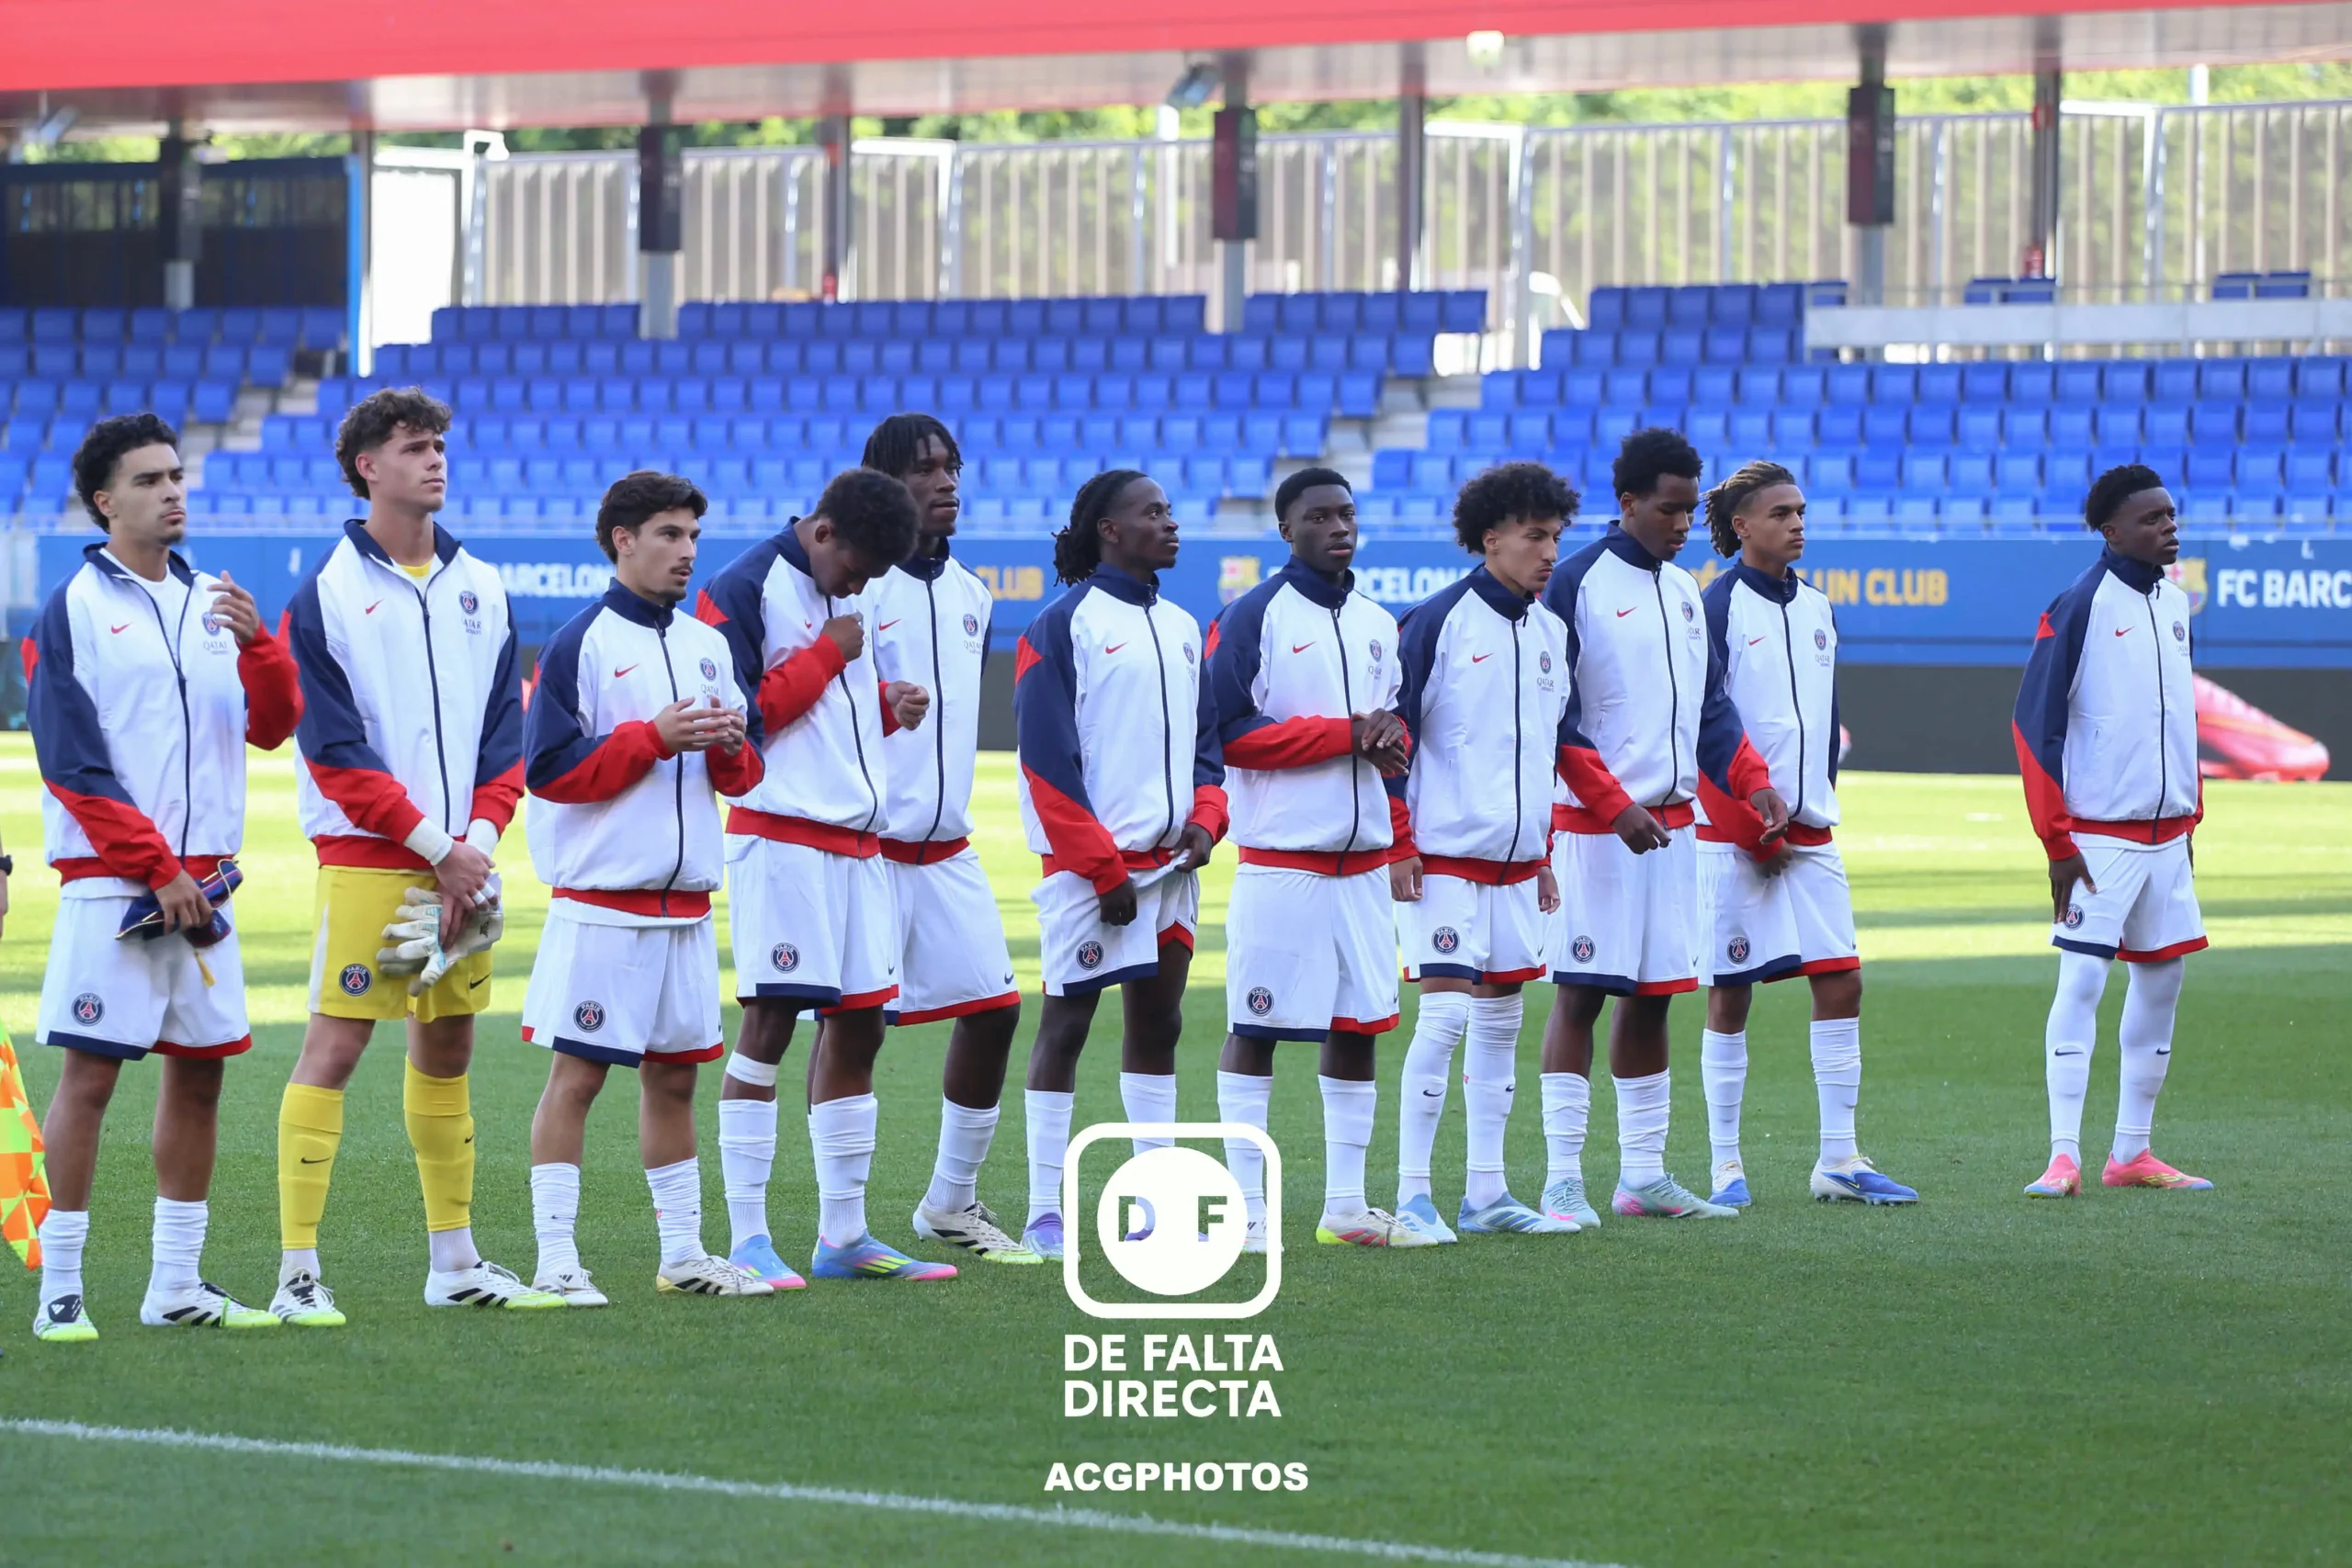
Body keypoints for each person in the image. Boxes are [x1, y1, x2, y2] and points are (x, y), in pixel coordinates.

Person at [25, 412, 301, 1340]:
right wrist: (153, 867)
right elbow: (72, 762)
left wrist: (262, 645)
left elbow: (273, 726)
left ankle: (175, 1285)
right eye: (150, 480)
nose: (173, 491)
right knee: (91, 1080)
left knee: (201, 1078)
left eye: (177, 476)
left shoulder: (214, 602)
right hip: (116, 887)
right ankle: (59, 1287)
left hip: (208, 889)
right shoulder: (72, 609)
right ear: (106, 502)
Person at [277, 387, 548, 1323]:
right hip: (376, 862)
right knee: (337, 1046)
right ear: (367, 467)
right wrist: (440, 847)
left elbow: (501, 737)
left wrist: (474, 843)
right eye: (414, 447)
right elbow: (335, 753)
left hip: (461, 864)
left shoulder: (483, 584)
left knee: (449, 1046)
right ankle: (297, 1274)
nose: (435, 460)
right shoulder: (325, 595)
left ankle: (455, 1262)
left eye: (439, 445)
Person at [519, 472, 775, 1303]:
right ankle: (555, 1259)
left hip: (688, 910)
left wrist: (731, 743)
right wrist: (650, 737)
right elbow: (551, 773)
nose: (687, 552)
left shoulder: (707, 645)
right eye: (669, 534)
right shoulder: (579, 643)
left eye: (694, 537)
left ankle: (683, 1253)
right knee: (580, 1077)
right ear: (622, 539)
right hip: (603, 909)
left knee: (675, 1078)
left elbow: (742, 775)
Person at [696, 468, 948, 1281]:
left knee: (863, 1027)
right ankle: (748, 1238)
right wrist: (825, 654)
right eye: (858, 570)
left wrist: (886, 704)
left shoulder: (850, 591)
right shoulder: (744, 587)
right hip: (782, 841)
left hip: (857, 846)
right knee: (769, 1026)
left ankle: (844, 1235)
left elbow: (831, 716)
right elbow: (738, 723)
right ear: (825, 531)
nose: (863, 585)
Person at [1536, 428, 1789, 1224]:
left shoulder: (1686, 592)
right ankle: (1562, 1177)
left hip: (1672, 833)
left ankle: (1642, 1174)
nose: (1681, 525)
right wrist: (1613, 804)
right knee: (1580, 996)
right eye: (1668, 509)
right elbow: (1556, 715)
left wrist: (1754, 782)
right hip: (1594, 830)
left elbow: (1713, 709)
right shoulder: (1573, 583)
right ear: (1628, 503)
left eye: (1688, 511)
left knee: (1654, 998)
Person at [1203, 468, 1423, 1249]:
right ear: (1286, 529)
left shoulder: (1375, 619)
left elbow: (1389, 739)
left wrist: (1399, 832)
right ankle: (1246, 1212)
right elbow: (1226, 732)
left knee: (1358, 1025)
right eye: (1319, 516)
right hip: (1282, 864)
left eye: (1347, 514)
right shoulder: (1252, 615)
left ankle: (1345, 1206)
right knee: (1254, 1028)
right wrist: (1343, 731)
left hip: (1362, 871)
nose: (1338, 527)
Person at [1013, 469, 1227, 1260]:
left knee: (1160, 1024)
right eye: (1154, 512)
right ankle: (1044, 1210)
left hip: (1173, 869)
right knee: (1065, 1027)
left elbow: (1208, 747)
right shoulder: (1060, 625)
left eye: (1171, 509)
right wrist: (1099, 866)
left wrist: (1208, 821)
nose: (1172, 523)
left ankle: (1152, 1203)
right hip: (1092, 873)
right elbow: (1045, 762)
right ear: (1109, 528)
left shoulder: (1181, 623)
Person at [1694, 462, 1917, 1208]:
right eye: (1780, 513)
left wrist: (1814, 799)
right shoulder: (1715, 607)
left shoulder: (1819, 607)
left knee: (1843, 979)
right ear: (1740, 528)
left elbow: (1820, 725)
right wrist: (1750, 825)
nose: (1796, 523)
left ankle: (1838, 1158)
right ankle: (1725, 1166)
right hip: (1733, 836)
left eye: (1800, 510)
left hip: (1812, 833)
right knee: (1731, 994)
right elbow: (1705, 726)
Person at [860, 415, 1038, 1265]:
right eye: (925, 469)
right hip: (868, 851)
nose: (946, 482)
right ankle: (841, 1227)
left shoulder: (973, 592)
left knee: (997, 1011)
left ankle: (950, 1202)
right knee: (852, 1030)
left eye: (953, 467)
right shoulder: (858, 590)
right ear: (884, 483)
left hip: (949, 851)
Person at [1388, 462, 1577, 1242]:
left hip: (1515, 867)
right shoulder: (1435, 621)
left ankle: (1488, 1193)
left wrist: (1543, 852)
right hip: (1442, 863)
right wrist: (1398, 842)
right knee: (1442, 1023)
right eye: (1535, 536)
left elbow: (1544, 752)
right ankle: (1410, 1196)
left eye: (1557, 536)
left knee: (1502, 1024)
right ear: (1490, 537)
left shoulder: (1551, 632)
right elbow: (1391, 742)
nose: (1549, 552)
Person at [2013, 464, 2210, 1199]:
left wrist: (2191, 817)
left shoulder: (2175, 602)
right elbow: (2034, 727)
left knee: (2163, 977)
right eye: (2153, 518)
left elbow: (2179, 720)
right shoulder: (2081, 603)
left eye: (2171, 515)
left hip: (2167, 836)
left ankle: (2132, 1152)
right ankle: (2062, 1155)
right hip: (2097, 835)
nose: (2169, 526)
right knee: (2084, 976)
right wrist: (2057, 839)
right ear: (2111, 530)